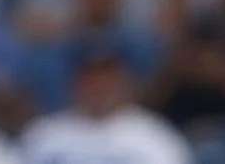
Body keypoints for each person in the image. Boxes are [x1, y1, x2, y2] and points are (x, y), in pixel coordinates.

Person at [20, 38, 192, 164]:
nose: (98, 86)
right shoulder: (43, 134)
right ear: (73, 82)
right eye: (90, 77)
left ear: (124, 81)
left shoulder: (155, 137)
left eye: (107, 77)